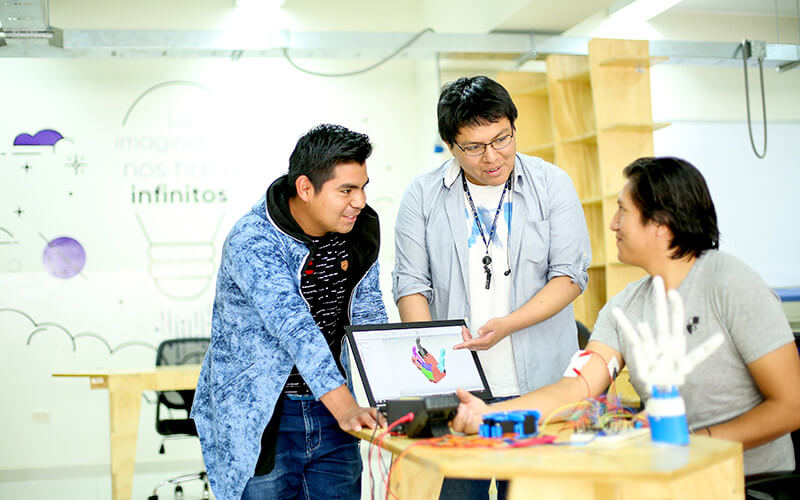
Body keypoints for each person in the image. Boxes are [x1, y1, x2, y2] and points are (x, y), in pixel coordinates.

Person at [453, 156, 800, 477]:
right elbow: (576, 389)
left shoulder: (731, 284)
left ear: (661, 224)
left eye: (623, 211)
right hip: (669, 481)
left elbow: (792, 406)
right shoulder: (625, 308)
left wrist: (695, 441)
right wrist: (490, 414)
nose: (613, 223)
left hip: (749, 482)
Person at [392, 75, 591, 499]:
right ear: (451, 145)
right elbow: (411, 286)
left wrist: (509, 324)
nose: (492, 156)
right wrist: (434, 367)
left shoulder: (552, 184)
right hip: (461, 390)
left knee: (536, 494)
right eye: (474, 147)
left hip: (541, 385)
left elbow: (570, 276)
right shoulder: (422, 196)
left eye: (502, 139)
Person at [191, 124, 388, 500]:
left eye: (363, 187)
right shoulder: (253, 239)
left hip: (332, 413)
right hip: (264, 418)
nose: (360, 201)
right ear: (305, 188)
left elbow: (369, 314)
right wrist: (346, 407)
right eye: (346, 190)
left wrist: (394, 393)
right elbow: (293, 325)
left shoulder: (358, 231)